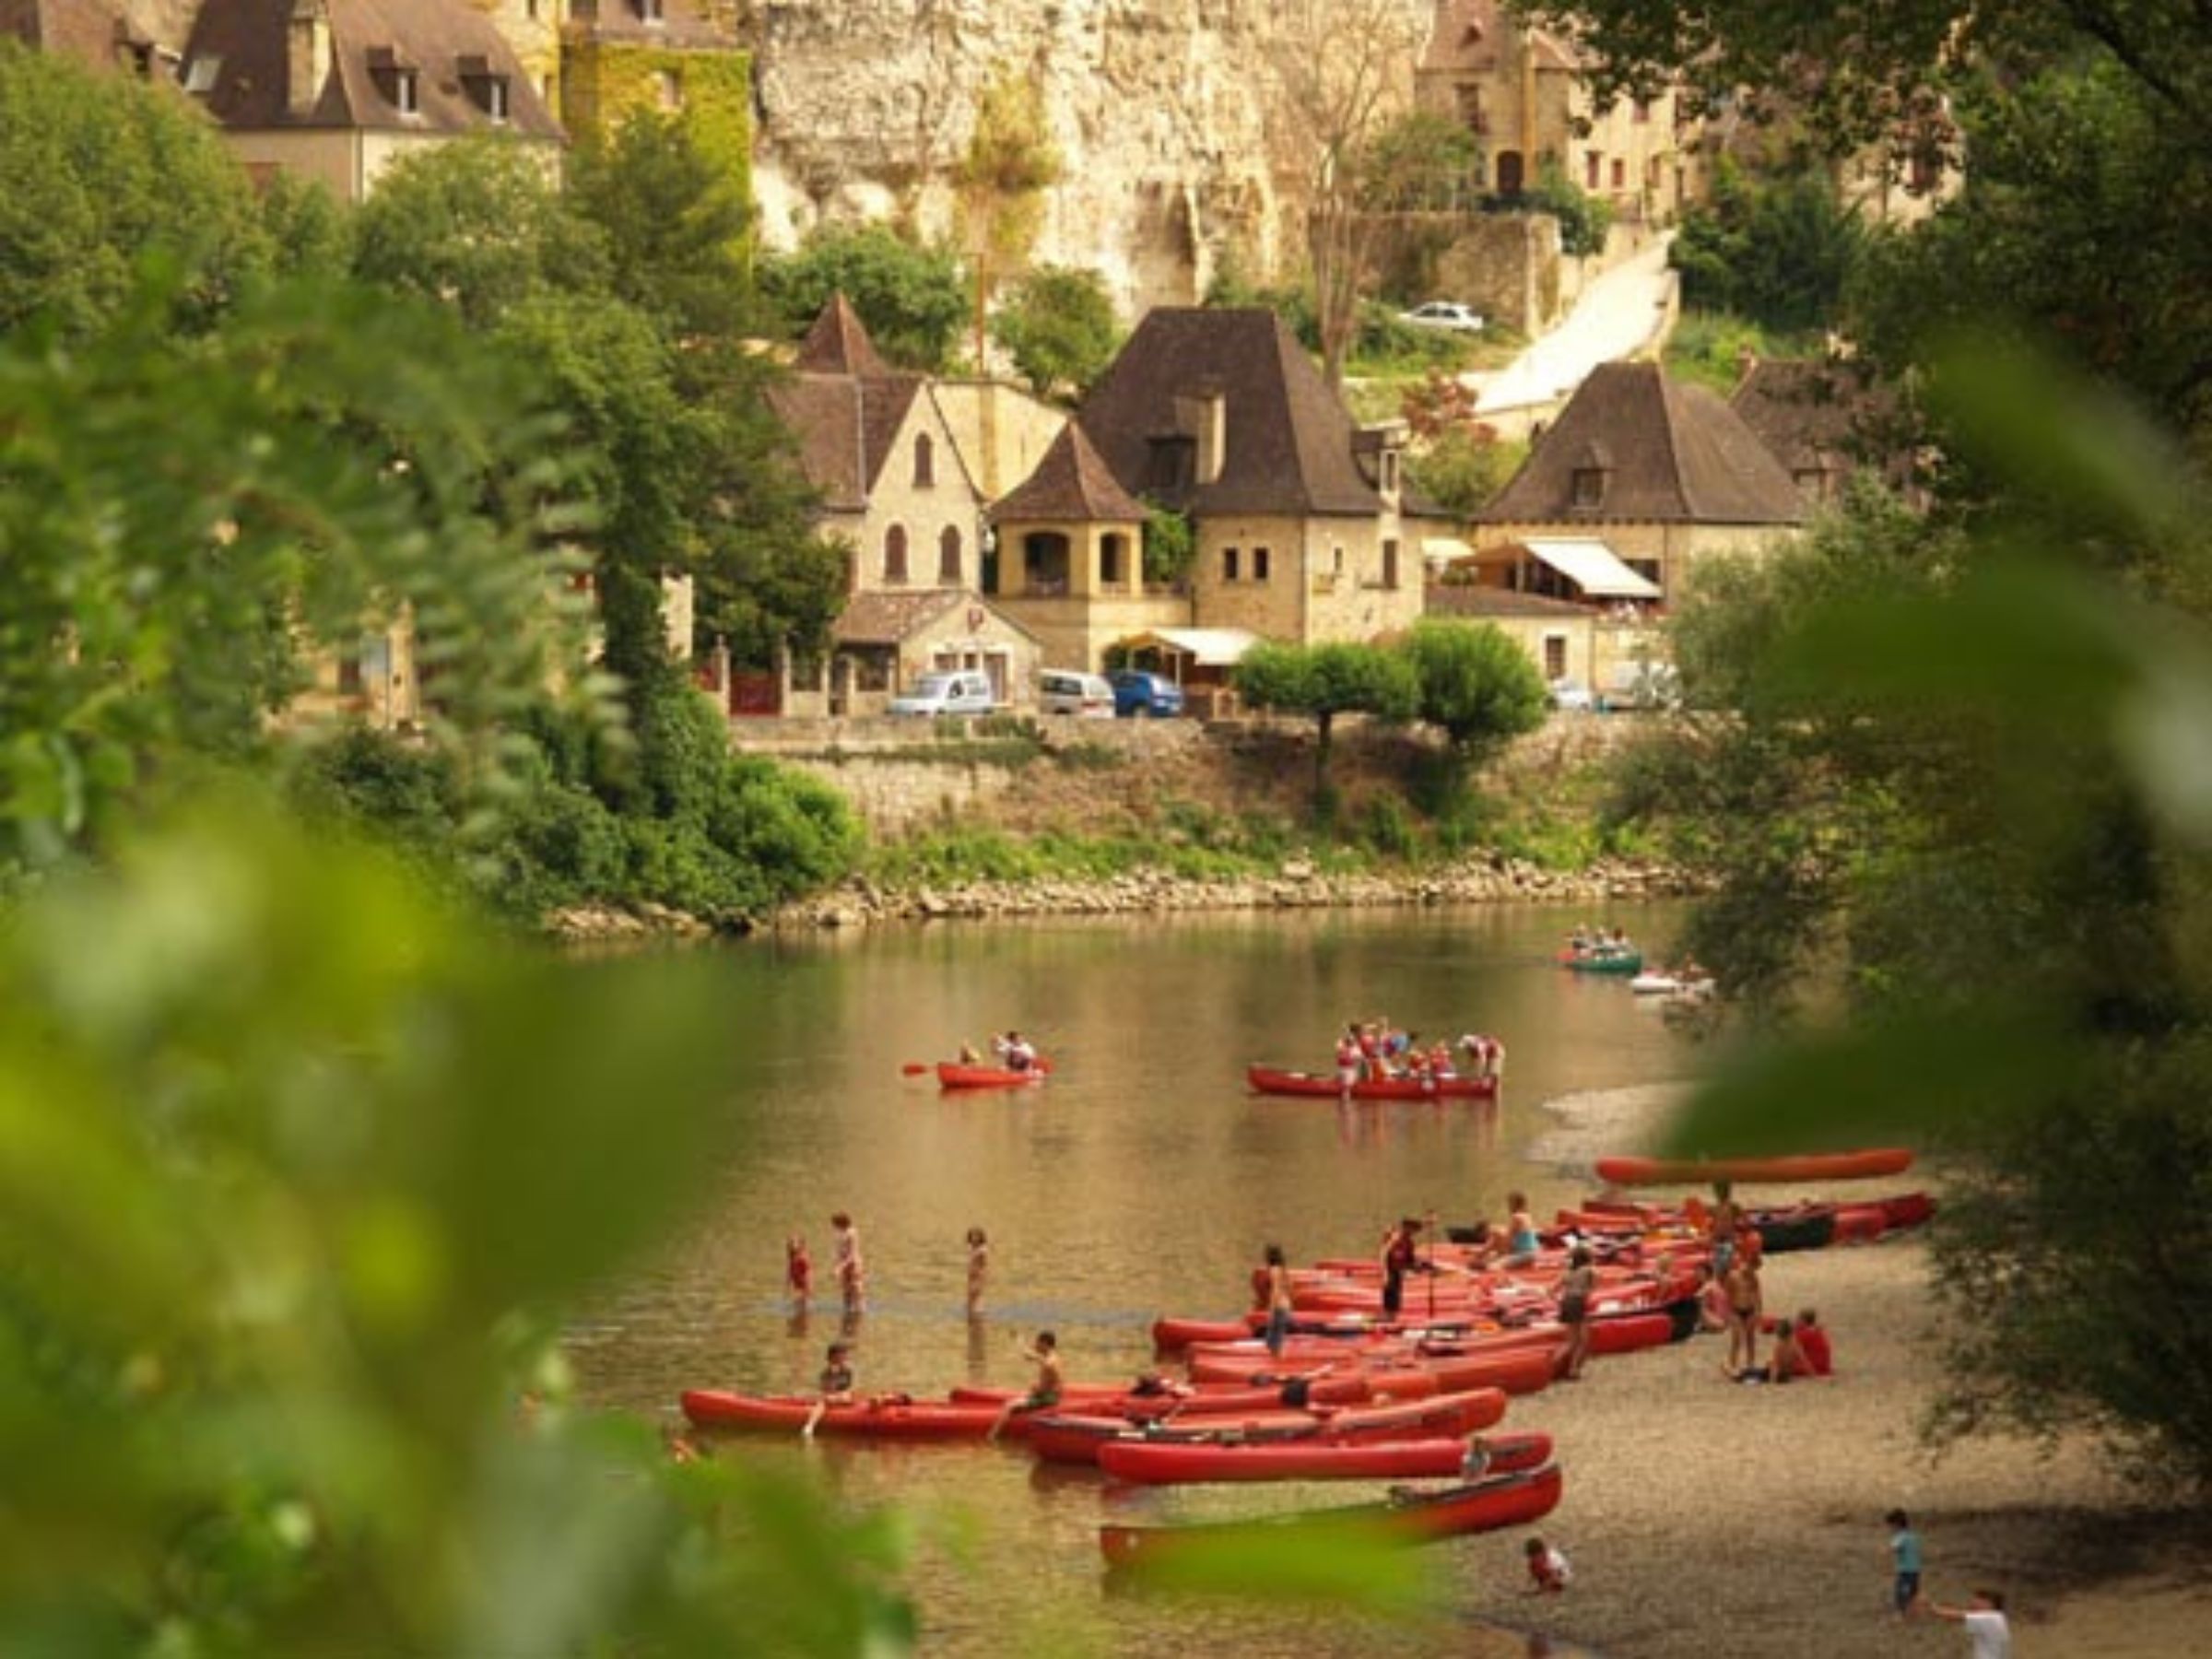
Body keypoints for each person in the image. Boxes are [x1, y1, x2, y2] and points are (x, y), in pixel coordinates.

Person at [987, 1330, 1063, 1440]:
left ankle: (991, 1436)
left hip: (1048, 1398)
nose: (1036, 1345)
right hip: (1043, 1394)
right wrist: (1019, 1340)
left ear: (1045, 1344)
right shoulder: (1048, 1356)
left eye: (1038, 1342)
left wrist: (1036, 1358)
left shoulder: (1052, 1359)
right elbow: (1030, 1356)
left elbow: (1049, 1366)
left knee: (1009, 1405)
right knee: (1020, 1396)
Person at [1928, 1589, 2010, 1657]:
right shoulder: (1996, 1619)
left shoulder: (1991, 1618)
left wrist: (1932, 1607)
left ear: (1989, 1603)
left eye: (1978, 1601)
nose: (1973, 1604)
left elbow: (1956, 1616)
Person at [1556, 1245, 1597, 1381]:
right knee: (1583, 1340)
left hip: (1567, 1301)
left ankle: (1559, 1364)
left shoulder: (1567, 1272)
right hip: (1579, 1303)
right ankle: (1573, 1368)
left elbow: (1551, 1290)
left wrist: (1559, 1301)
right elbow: (1592, 1289)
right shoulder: (1590, 1270)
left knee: (1572, 1340)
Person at [1721, 1246, 1762, 1376]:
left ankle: (1750, 1363)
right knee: (1737, 1337)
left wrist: (1758, 1311)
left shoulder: (1753, 1277)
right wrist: (1727, 1314)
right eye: (1752, 1268)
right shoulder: (1733, 1276)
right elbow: (1727, 1296)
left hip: (1749, 1309)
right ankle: (1733, 1363)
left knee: (1750, 1337)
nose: (1753, 1271)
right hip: (1735, 1310)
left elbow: (1757, 1294)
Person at [801, 1340, 855, 1437]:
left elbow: (848, 1387)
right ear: (833, 1356)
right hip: (830, 1398)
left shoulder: (847, 1371)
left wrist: (842, 1395)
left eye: (844, 1354)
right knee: (824, 1401)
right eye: (842, 1354)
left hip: (843, 1397)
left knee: (846, 1396)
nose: (844, 1357)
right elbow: (826, 1389)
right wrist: (833, 1376)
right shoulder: (826, 1373)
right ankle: (810, 1425)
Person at [1380, 1218, 1421, 1318]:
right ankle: (1388, 1315)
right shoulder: (1396, 1239)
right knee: (1390, 1293)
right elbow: (1384, 1253)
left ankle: (1393, 1316)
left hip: (1398, 1271)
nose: (1413, 1232)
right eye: (1412, 1229)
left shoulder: (1410, 1242)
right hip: (1391, 1270)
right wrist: (1385, 1273)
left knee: (1396, 1295)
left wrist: (1416, 1267)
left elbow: (1410, 1259)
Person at [1887, 1510, 1924, 1617]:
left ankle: (1900, 1614)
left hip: (1905, 1570)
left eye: (1890, 1526)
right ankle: (1914, 1611)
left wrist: (1885, 1551)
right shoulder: (1912, 1536)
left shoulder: (1900, 1537)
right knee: (1913, 1591)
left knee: (1900, 1592)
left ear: (1896, 1525)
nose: (1890, 1529)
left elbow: (1894, 1548)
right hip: (1916, 1569)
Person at [1261, 1243, 1294, 1357]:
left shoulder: (1274, 1270)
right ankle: (1276, 1358)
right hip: (1286, 1305)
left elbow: (1275, 1290)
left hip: (1279, 1306)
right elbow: (1290, 1287)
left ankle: (1277, 1361)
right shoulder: (1284, 1270)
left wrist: (1271, 1306)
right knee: (1275, 1338)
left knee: (1274, 1340)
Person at [831, 1211, 865, 1311]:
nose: (834, 1227)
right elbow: (838, 1249)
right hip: (843, 1261)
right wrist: (836, 1261)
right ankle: (847, 1310)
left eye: (836, 1224)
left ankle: (860, 1310)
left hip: (853, 1263)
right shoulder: (838, 1233)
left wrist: (840, 1267)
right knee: (846, 1289)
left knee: (856, 1287)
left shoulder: (851, 1232)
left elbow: (852, 1253)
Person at [1502, 1193, 1540, 1267]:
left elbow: (1508, 1241)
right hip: (1533, 1254)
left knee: (1494, 1265)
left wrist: (1503, 1255)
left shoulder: (1516, 1217)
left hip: (1523, 1254)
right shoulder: (1527, 1216)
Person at [1796, 1307, 1834, 1376]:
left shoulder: (1802, 1333)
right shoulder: (1818, 1332)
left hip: (1814, 1367)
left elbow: (1796, 1351)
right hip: (1824, 1366)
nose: (1797, 1321)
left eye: (1799, 1319)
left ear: (1803, 1320)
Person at [965, 1226, 989, 1314]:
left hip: (978, 1276)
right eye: (972, 1236)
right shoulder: (972, 1248)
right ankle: (971, 1312)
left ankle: (978, 1313)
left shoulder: (982, 1250)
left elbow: (984, 1265)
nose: (974, 1238)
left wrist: (981, 1277)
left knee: (976, 1295)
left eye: (976, 1236)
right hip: (971, 1276)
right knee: (970, 1296)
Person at [1335, 1025, 1363, 1099]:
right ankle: (1346, 1103)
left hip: (1343, 1069)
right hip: (1348, 1070)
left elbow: (1358, 1059)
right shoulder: (1354, 1047)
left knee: (1344, 1084)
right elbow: (1359, 1059)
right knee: (1346, 1089)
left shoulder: (1342, 1044)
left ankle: (1342, 1089)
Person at [785, 1233, 812, 1307]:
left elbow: (808, 1271)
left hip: (804, 1284)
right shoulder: (792, 1256)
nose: (791, 1245)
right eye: (790, 1243)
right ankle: (800, 1315)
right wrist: (788, 1282)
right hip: (796, 1283)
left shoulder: (803, 1257)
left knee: (801, 1302)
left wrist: (809, 1285)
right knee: (796, 1303)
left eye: (793, 1243)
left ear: (800, 1245)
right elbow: (789, 1269)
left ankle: (803, 1315)